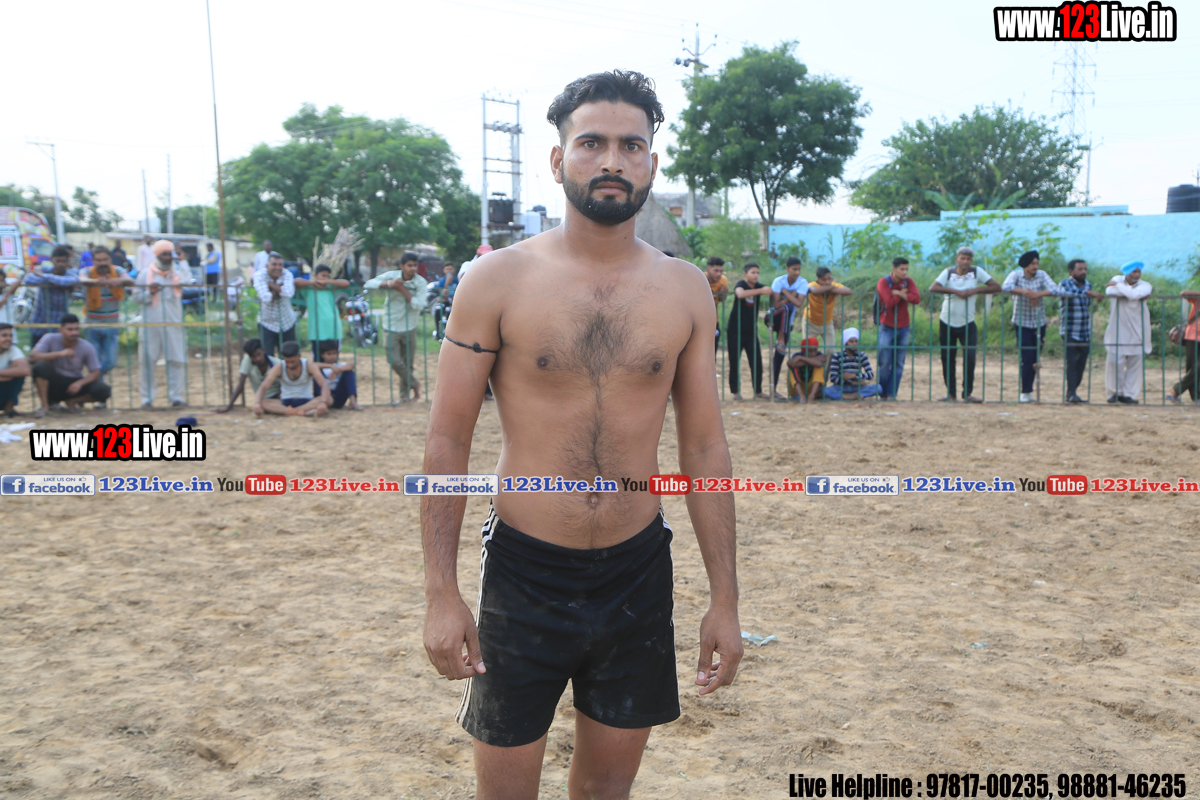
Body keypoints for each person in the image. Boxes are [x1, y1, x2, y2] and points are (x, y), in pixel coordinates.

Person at [422, 70, 741, 800]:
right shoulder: (495, 280)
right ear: (558, 158)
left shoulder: (685, 289)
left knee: (606, 790)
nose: (612, 161)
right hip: (524, 572)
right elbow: (447, 442)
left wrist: (725, 599)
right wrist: (441, 592)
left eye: (632, 145)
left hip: (637, 571)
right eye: (591, 142)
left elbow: (704, 449)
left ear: (652, 164)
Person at [929, 246, 999, 402]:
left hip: (968, 322)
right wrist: (956, 292)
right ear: (956, 259)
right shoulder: (948, 272)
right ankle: (951, 394)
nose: (965, 261)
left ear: (971, 261)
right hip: (947, 321)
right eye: (962, 258)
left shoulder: (976, 272)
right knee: (948, 358)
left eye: (968, 259)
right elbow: (933, 287)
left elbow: (996, 286)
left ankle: (967, 393)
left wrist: (975, 290)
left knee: (970, 357)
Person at [136, 239, 193, 409]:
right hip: (150, 325)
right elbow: (136, 297)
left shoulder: (176, 274)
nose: (168, 257)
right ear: (157, 255)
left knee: (177, 360)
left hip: (173, 324)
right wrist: (149, 293)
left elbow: (188, 281)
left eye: (170, 254)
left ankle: (176, 397)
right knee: (147, 362)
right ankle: (146, 399)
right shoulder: (145, 274)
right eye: (164, 254)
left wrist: (183, 262)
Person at [364, 251, 427, 401]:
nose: (413, 268)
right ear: (402, 266)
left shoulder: (420, 282)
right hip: (391, 325)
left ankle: (404, 396)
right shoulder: (392, 276)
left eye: (415, 265)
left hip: (410, 326)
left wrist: (402, 290)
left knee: (407, 363)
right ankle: (415, 383)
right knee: (393, 360)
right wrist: (388, 284)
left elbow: (419, 305)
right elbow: (368, 284)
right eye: (409, 265)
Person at [1002, 250, 1058, 403]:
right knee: (1027, 357)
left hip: (1039, 323)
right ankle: (1025, 391)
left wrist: (1038, 295)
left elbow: (1055, 289)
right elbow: (1005, 287)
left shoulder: (1042, 275)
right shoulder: (1016, 275)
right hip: (1022, 323)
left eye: (1037, 263)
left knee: (1035, 358)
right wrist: (1027, 293)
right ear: (1025, 265)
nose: (1035, 266)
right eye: (1032, 263)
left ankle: (1028, 390)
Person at [77, 246, 134, 395]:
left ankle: (86, 383)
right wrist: (96, 282)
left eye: (105, 259)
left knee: (111, 361)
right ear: (93, 260)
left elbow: (129, 279)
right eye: (98, 260)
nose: (102, 263)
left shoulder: (118, 270)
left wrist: (118, 281)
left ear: (110, 259)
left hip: (112, 324)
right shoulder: (88, 271)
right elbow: (82, 279)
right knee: (94, 363)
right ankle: (99, 396)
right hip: (92, 325)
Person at [29, 314, 111, 416]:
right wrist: (59, 354)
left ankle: (73, 401)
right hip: (54, 382)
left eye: (76, 329)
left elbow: (96, 373)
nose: (74, 333)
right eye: (70, 329)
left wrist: (80, 383)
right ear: (61, 330)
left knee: (103, 390)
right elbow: (33, 357)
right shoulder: (49, 338)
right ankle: (45, 406)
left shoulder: (87, 346)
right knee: (40, 366)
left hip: (74, 382)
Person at [1103, 260, 1153, 405]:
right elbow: (1109, 291)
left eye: (1138, 272)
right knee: (1114, 363)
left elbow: (1134, 294)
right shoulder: (1117, 278)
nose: (1137, 274)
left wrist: (1119, 287)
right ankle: (1114, 393)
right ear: (1127, 273)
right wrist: (1129, 291)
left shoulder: (1145, 285)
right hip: (1118, 329)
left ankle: (1129, 395)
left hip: (1138, 330)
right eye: (1133, 272)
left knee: (1135, 364)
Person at [1056, 259, 1105, 404]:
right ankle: (1071, 393)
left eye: (1085, 269)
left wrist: (1089, 293)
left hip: (1085, 331)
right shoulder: (1064, 283)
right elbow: (1067, 293)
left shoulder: (1088, 284)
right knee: (1071, 363)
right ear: (1071, 271)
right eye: (1080, 269)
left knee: (1081, 364)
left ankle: (1072, 392)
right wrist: (1088, 293)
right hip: (1070, 330)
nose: (1083, 272)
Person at [876, 257, 920, 400]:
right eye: (902, 269)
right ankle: (882, 392)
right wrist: (904, 294)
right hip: (887, 326)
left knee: (899, 363)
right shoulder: (883, 282)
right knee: (884, 362)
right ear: (894, 269)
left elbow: (916, 299)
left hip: (904, 327)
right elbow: (889, 303)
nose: (905, 272)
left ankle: (891, 394)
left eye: (906, 269)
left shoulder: (909, 282)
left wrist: (898, 293)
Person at [727, 262, 771, 400]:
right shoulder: (742, 284)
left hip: (751, 331)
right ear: (745, 274)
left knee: (756, 361)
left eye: (757, 272)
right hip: (735, 330)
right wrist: (760, 291)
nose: (756, 275)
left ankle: (758, 391)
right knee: (734, 361)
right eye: (753, 272)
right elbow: (740, 294)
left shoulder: (759, 286)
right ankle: (735, 392)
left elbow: (769, 290)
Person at [252, 340, 331, 417]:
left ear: (299, 356)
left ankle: (290, 411)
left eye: (293, 362)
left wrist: (323, 402)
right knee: (262, 402)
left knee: (328, 399)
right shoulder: (279, 367)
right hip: (285, 401)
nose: (290, 365)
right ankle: (302, 412)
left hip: (306, 400)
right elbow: (264, 386)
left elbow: (324, 384)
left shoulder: (308, 364)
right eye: (287, 362)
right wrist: (257, 403)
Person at [23, 245, 79, 348]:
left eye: (64, 261)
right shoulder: (44, 269)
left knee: (58, 354)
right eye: (58, 261)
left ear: (68, 262)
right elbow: (28, 279)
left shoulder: (70, 273)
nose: (61, 264)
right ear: (52, 260)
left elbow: (70, 281)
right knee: (37, 354)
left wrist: (44, 277)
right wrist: (54, 280)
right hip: (40, 321)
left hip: (59, 325)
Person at [769, 257, 808, 399]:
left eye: (799, 269)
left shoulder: (802, 282)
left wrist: (785, 293)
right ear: (787, 269)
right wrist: (792, 295)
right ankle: (780, 337)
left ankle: (773, 389)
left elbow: (799, 303)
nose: (797, 272)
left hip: (787, 325)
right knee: (787, 307)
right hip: (775, 319)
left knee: (778, 357)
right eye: (794, 269)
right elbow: (777, 305)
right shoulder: (778, 281)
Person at [296, 264, 349, 356]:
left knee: (333, 357)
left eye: (327, 276)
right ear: (315, 275)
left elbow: (346, 283)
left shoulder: (330, 287)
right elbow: (296, 281)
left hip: (333, 328)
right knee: (318, 357)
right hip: (316, 330)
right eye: (323, 275)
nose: (325, 278)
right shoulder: (309, 289)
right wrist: (313, 283)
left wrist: (328, 282)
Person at [216, 338, 279, 413]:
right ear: (250, 357)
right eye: (253, 357)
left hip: (277, 397)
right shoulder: (247, 361)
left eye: (259, 354)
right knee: (261, 406)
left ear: (264, 350)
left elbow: (284, 385)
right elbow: (241, 384)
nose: (257, 358)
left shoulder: (276, 363)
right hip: (261, 399)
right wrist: (229, 406)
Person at [254, 252, 297, 357]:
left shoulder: (287, 274)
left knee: (289, 356)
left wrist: (271, 285)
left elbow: (289, 293)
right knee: (268, 357)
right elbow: (266, 298)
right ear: (267, 265)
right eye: (274, 264)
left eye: (280, 264)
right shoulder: (259, 275)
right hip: (266, 323)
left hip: (287, 322)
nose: (277, 267)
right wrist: (279, 288)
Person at [824, 327, 880, 400]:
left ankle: (845, 396)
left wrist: (855, 375)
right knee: (824, 390)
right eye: (851, 341)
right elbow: (833, 378)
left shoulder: (862, 355)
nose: (854, 344)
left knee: (878, 388)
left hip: (858, 387)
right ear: (845, 343)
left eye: (856, 341)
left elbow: (870, 375)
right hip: (842, 387)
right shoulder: (837, 356)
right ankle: (852, 396)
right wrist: (850, 382)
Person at [803, 266, 850, 346]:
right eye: (824, 280)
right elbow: (814, 290)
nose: (827, 281)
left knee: (830, 350)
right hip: (810, 322)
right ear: (818, 280)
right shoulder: (812, 285)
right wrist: (831, 288)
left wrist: (829, 288)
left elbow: (848, 291)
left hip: (827, 323)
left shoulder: (834, 284)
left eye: (829, 278)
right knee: (808, 348)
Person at [1169, 288, 1200, 404]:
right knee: (1192, 367)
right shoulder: (1198, 299)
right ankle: (1196, 397)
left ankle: (1177, 389)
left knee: (1196, 368)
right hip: (1193, 335)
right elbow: (1184, 293)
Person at [315, 339, 359, 409]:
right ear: (322, 355)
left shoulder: (339, 366)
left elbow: (351, 365)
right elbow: (312, 365)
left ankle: (353, 401)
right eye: (329, 354)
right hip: (323, 397)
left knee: (349, 372)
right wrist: (330, 366)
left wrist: (338, 370)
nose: (332, 356)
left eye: (334, 353)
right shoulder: (320, 367)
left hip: (338, 397)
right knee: (316, 373)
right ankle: (322, 403)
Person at [0, 323, 30, 416]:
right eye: (4, 335)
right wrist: (10, 372)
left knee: (19, 376)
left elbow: (25, 370)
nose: (9, 339)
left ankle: (9, 408)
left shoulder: (13, 350)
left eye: (11, 336)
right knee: (14, 374)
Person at [786, 337, 826, 403]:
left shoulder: (819, 354)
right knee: (791, 369)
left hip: (812, 389)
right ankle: (801, 396)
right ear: (804, 350)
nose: (813, 353)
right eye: (810, 351)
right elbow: (790, 364)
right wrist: (812, 360)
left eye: (815, 350)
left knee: (819, 368)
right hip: (797, 391)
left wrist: (801, 358)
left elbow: (819, 364)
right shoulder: (797, 355)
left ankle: (812, 396)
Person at [705, 256, 728, 354]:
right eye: (716, 271)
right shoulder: (700, 278)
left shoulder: (723, 280)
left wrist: (724, 294)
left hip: (714, 321)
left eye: (721, 271)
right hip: (699, 321)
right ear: (708, 270)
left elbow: (722, 299)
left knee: (712, 352)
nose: (719, 274)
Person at [429, 263, 458, 341]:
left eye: (450, 269)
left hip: (454, 303)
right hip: (445, 302)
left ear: (453, 270)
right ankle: (438, 332)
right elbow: (442, 295)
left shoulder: (457, 280)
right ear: (444, 270)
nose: (449, 271)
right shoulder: (442, 281)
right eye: (447, 269)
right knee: (438, 309)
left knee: (449, 311)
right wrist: (447, 283)